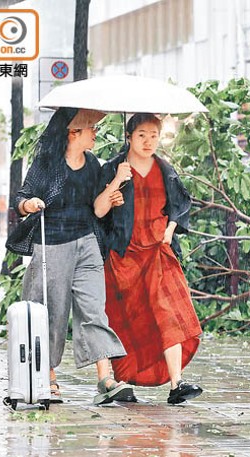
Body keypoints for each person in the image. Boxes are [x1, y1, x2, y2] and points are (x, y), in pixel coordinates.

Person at [6, 107, 136, 405]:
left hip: (87, 243)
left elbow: (98, 208)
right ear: (72, 132)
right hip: (52, 245)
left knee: (94, 309)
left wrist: (114, 188)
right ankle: (47, 376)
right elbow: (21, 199)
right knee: (53, 312)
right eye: (91, 127)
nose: (96, 133)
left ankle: (105, 379)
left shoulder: (92, 164)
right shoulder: (48, 163)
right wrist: (32, 204)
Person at [95, 113, 203, 405]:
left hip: (157, 252)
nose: (148, 141)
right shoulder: (112, 169)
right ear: (128, 136)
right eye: (141, 134)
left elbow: (179, 207)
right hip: (123, 257)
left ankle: (176, 383)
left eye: (154, 135)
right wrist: (116, 186)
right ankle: (116, 381)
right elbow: (98, 211)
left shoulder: (166, 170)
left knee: (169, 312)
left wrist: (169, 231)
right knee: (128, 320)